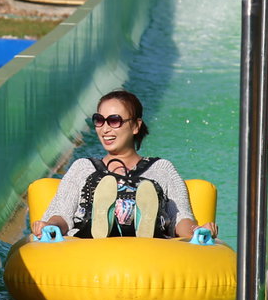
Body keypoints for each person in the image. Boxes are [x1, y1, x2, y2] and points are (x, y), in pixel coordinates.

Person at [36, 90, 213, 241]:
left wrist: (195, 230)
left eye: (114, 121)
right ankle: (100, 220)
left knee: (151, 193)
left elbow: (180, 218)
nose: (105, 129)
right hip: (89, 246)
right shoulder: (83, 168)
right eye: (99, 120)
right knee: (89, 204)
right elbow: (62, 214)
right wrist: (50, 226)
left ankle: (143, 222)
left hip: (151, 251)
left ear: (136, 126)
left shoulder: (161, 169)